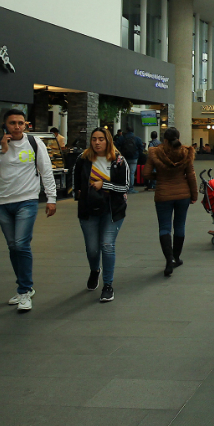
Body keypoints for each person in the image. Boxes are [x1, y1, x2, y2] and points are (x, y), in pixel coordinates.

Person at [0, 109, 57, 312]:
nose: (17, 126)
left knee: (21, 244)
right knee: (13, 246)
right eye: (13, 123)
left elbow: (46, 170)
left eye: (21, 123)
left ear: (26, 124)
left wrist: (51, 198)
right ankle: (24, 287)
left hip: (27, 201)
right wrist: (0, 151)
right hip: (3, 203)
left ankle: (24, 290)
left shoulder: (34, 142)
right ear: (5, 125)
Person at [73, 128, 131, 303]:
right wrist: (82, 195)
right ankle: (94, 270)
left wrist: (105, 185)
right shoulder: (83, 159)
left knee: (107, 245)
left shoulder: (119, 160)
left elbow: (125, 187)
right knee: (92, 248)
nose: (97, 142)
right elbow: (76, 183)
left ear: (108, 141)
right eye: (94, 139)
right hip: (89, 209)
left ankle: (108, 285)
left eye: (101, 139)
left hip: (112, 210)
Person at [143, 127, 197, 277]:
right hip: (183, 194)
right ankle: (176, 257)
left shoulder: (155, 152)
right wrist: (194, 195)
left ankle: (168, 260)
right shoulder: (186, 152)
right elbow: (191, 176)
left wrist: (159, 178)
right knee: (180, 225)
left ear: (164, 139)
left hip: (163, 194)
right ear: (178, 138)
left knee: (164, 227)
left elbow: (146, 174)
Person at [117, 127, 145, 194]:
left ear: (126, 131)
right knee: (131, 173)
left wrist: (120, 153)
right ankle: (131, 188)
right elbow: (141, 148)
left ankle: (123, 187)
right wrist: (138, 155)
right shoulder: (137, 139)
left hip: (124, 157)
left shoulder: (122, 138)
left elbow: (116, 145)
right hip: (134, 158)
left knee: (124, 172)